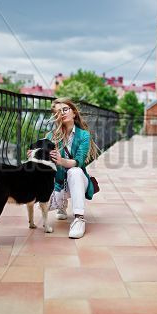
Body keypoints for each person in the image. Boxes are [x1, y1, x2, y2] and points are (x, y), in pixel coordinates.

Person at [45, 97, 99, 238]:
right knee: (43, 205)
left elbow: (79, 162)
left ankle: (79, 218)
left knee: (75, 171)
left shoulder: (84, 135)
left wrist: (61, 161)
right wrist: (35, 155)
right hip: (59, 184)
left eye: (65, 109)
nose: (62, 113)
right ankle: (62, 206)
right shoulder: (52, 136)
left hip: (79, 180)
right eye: (57, 112)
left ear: (74, 113)